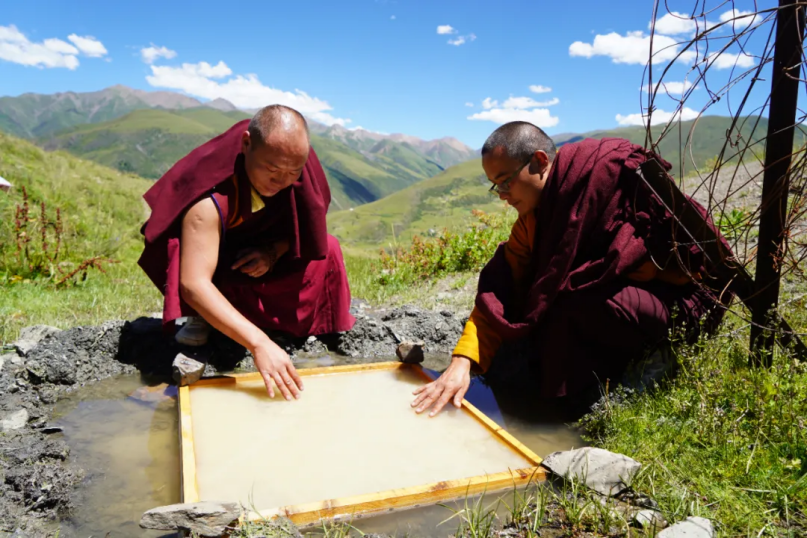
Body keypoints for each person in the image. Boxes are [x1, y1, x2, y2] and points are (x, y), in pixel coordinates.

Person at [412, 121, 732, 417]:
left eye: (505, 181)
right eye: (495, 187)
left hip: (680, 300)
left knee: (573, 298)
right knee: (555, 303)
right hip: (614, 304)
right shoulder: (532, 223)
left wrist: (654, 269)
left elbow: (698, 256)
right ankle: (569, 396)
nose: (503, 196)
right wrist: (463, 361)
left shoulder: (610, 173)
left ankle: (656, 361)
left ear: (539, 161)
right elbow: (501, 286)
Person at [138, 105, 355, 399]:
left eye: (293, 172)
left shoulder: (296, 167)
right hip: (215, 265)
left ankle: (268, 326)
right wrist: (258, 344)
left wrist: (272, 252)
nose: (282, 182)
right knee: (196, 271)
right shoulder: (209, 196)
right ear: (246, 143)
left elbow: (308, 228)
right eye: (273, 170)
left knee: (328, 247)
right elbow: (193, 283)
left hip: (257, 259)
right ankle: (204, 318)